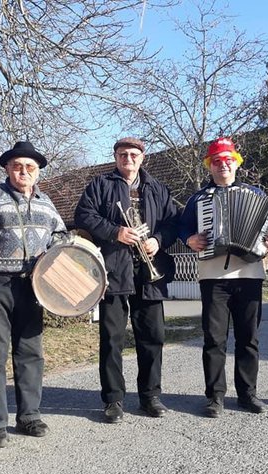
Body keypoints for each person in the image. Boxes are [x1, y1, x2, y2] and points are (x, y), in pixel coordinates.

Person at [0, 140, 67, 448]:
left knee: (30, 354)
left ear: (38, 172)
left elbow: (60, 236)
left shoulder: (46, 203)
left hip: (33, 287)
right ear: (7, 168)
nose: (24, 172)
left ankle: (29, 416)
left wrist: (65, 254)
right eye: (18, 166)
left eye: (30, 167)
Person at [74, 137, 179, 423]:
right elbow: (83, 215)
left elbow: (174, 223)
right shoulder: (100, 185)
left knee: (152, 337)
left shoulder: (157, 188)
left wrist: (157, 240)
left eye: (134, 154)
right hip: (114, 271)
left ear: (142, 158)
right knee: (112, 339)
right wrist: (115, 232)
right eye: (123, 154)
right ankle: (113, 400)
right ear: (115, 157)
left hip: (150, 273)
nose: (128, 159)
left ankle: (150, 396)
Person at [179, 137, 268, 418]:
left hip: (249, 274)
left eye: (227, 160)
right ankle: (215, 397)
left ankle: (248, 394)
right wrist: (190, 239)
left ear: (236, 164)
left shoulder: (256, 195)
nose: (223, 165)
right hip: (212, 276)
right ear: (209, 167)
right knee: (214, 338)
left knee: (249, 338)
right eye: (216, 161)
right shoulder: (198, 199)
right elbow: (182, 227)